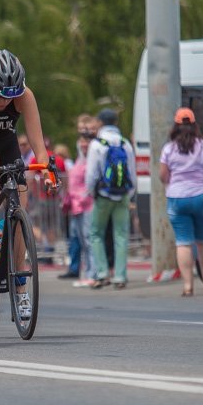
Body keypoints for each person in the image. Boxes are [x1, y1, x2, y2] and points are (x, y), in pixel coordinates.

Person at [0, 49, 53, 319]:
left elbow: (38, 143)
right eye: (0, 95)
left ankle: (20, 287)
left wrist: (47, 172)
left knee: (20, 211)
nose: (5, 100)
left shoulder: (24, 96)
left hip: (9, 146)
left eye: (11, 95)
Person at [158, 106, 203, 296]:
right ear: (194, 124)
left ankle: (187, 286)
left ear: (175, 126)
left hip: (177, 198)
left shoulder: (169, 148)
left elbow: (163, 175)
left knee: (183, 243)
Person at [85, 108, 135, 289]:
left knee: (96, 233)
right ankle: (120, 276)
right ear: (116, 122)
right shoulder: (125, 143)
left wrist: (92, 192)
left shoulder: (97, 144)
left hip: (104, 195)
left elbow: (91, 174)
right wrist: (129, 194)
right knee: (121, 235)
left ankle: (102, 273)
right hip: (122, 195)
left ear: (100, 123)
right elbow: (132, 173)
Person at [61, 120, 94, 280]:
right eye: (81, 141)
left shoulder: (91, 160)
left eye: (86, 141)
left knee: (88, 240)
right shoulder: (80, 160)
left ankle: (92, 273)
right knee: (80, 239)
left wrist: (82, 197)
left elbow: (91, 182)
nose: (83, 144)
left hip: (87, 205)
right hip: (76, 206)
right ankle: (87, 272)